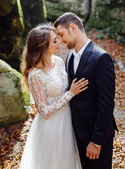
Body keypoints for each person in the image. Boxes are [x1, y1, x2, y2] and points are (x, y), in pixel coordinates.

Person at [19, 24, 89, 169]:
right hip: (52, 127)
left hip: (68, 120)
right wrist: (70, 93)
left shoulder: (58, 61)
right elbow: (44, 112)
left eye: (58, 39)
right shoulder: (35, 75)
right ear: (42, 45)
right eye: (55, 41)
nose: (59, 42)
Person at [54, 12, 118, 169]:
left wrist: (96, 141)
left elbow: (106, 103)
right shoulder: (69, 58)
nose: (61, 41)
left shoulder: (101, 58)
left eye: (61, 35)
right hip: (77, 137)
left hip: (96, 138)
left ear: (73, 28)